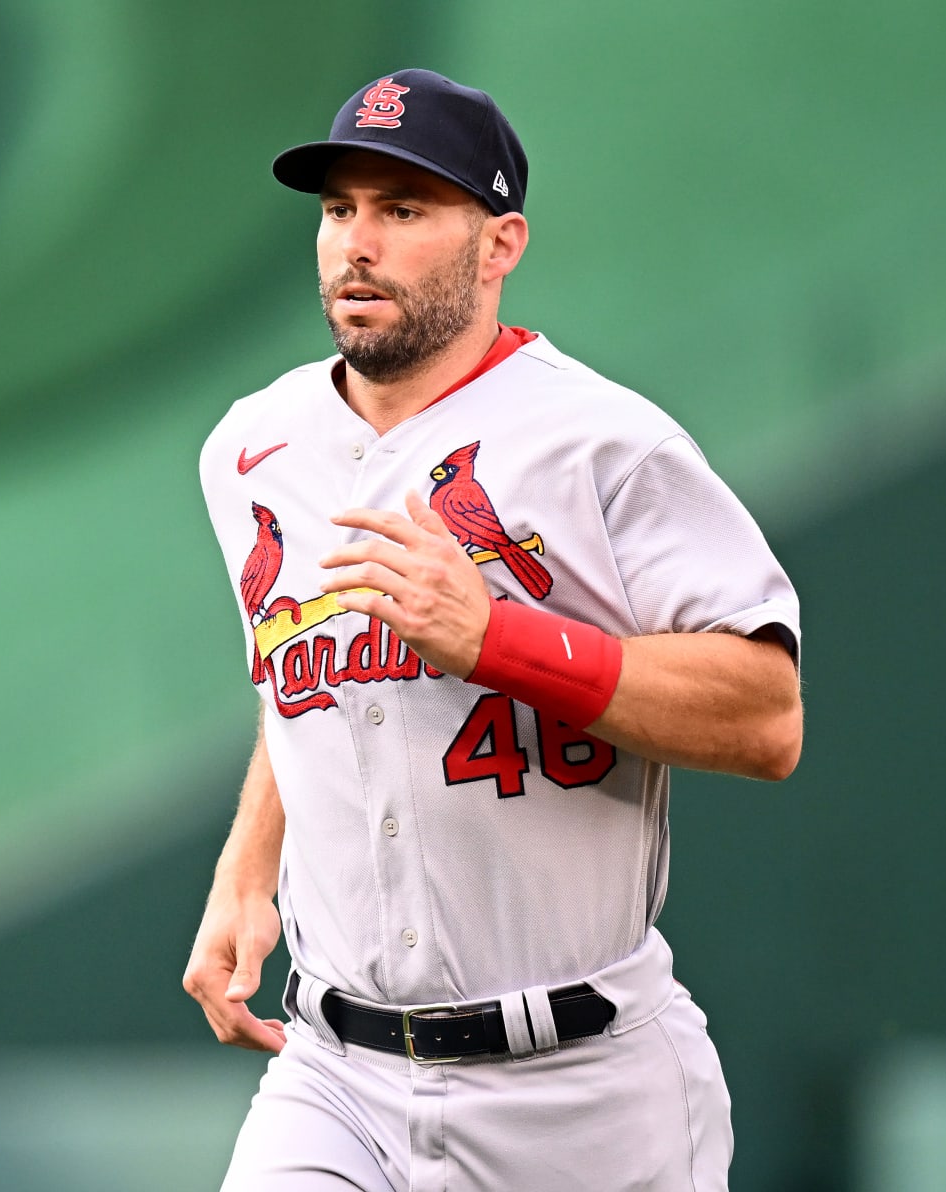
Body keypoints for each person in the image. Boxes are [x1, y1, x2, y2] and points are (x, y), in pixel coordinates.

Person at [185, 68, 802, 1192]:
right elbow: (305, 676)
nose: (356, 244)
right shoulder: (250, 447)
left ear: (500, 242)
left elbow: (766, 716)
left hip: (583, 1090)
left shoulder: (605, 443)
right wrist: (246, 865)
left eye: (404, 209)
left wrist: (499, 639)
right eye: (339, 209)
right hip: (337, 1079)